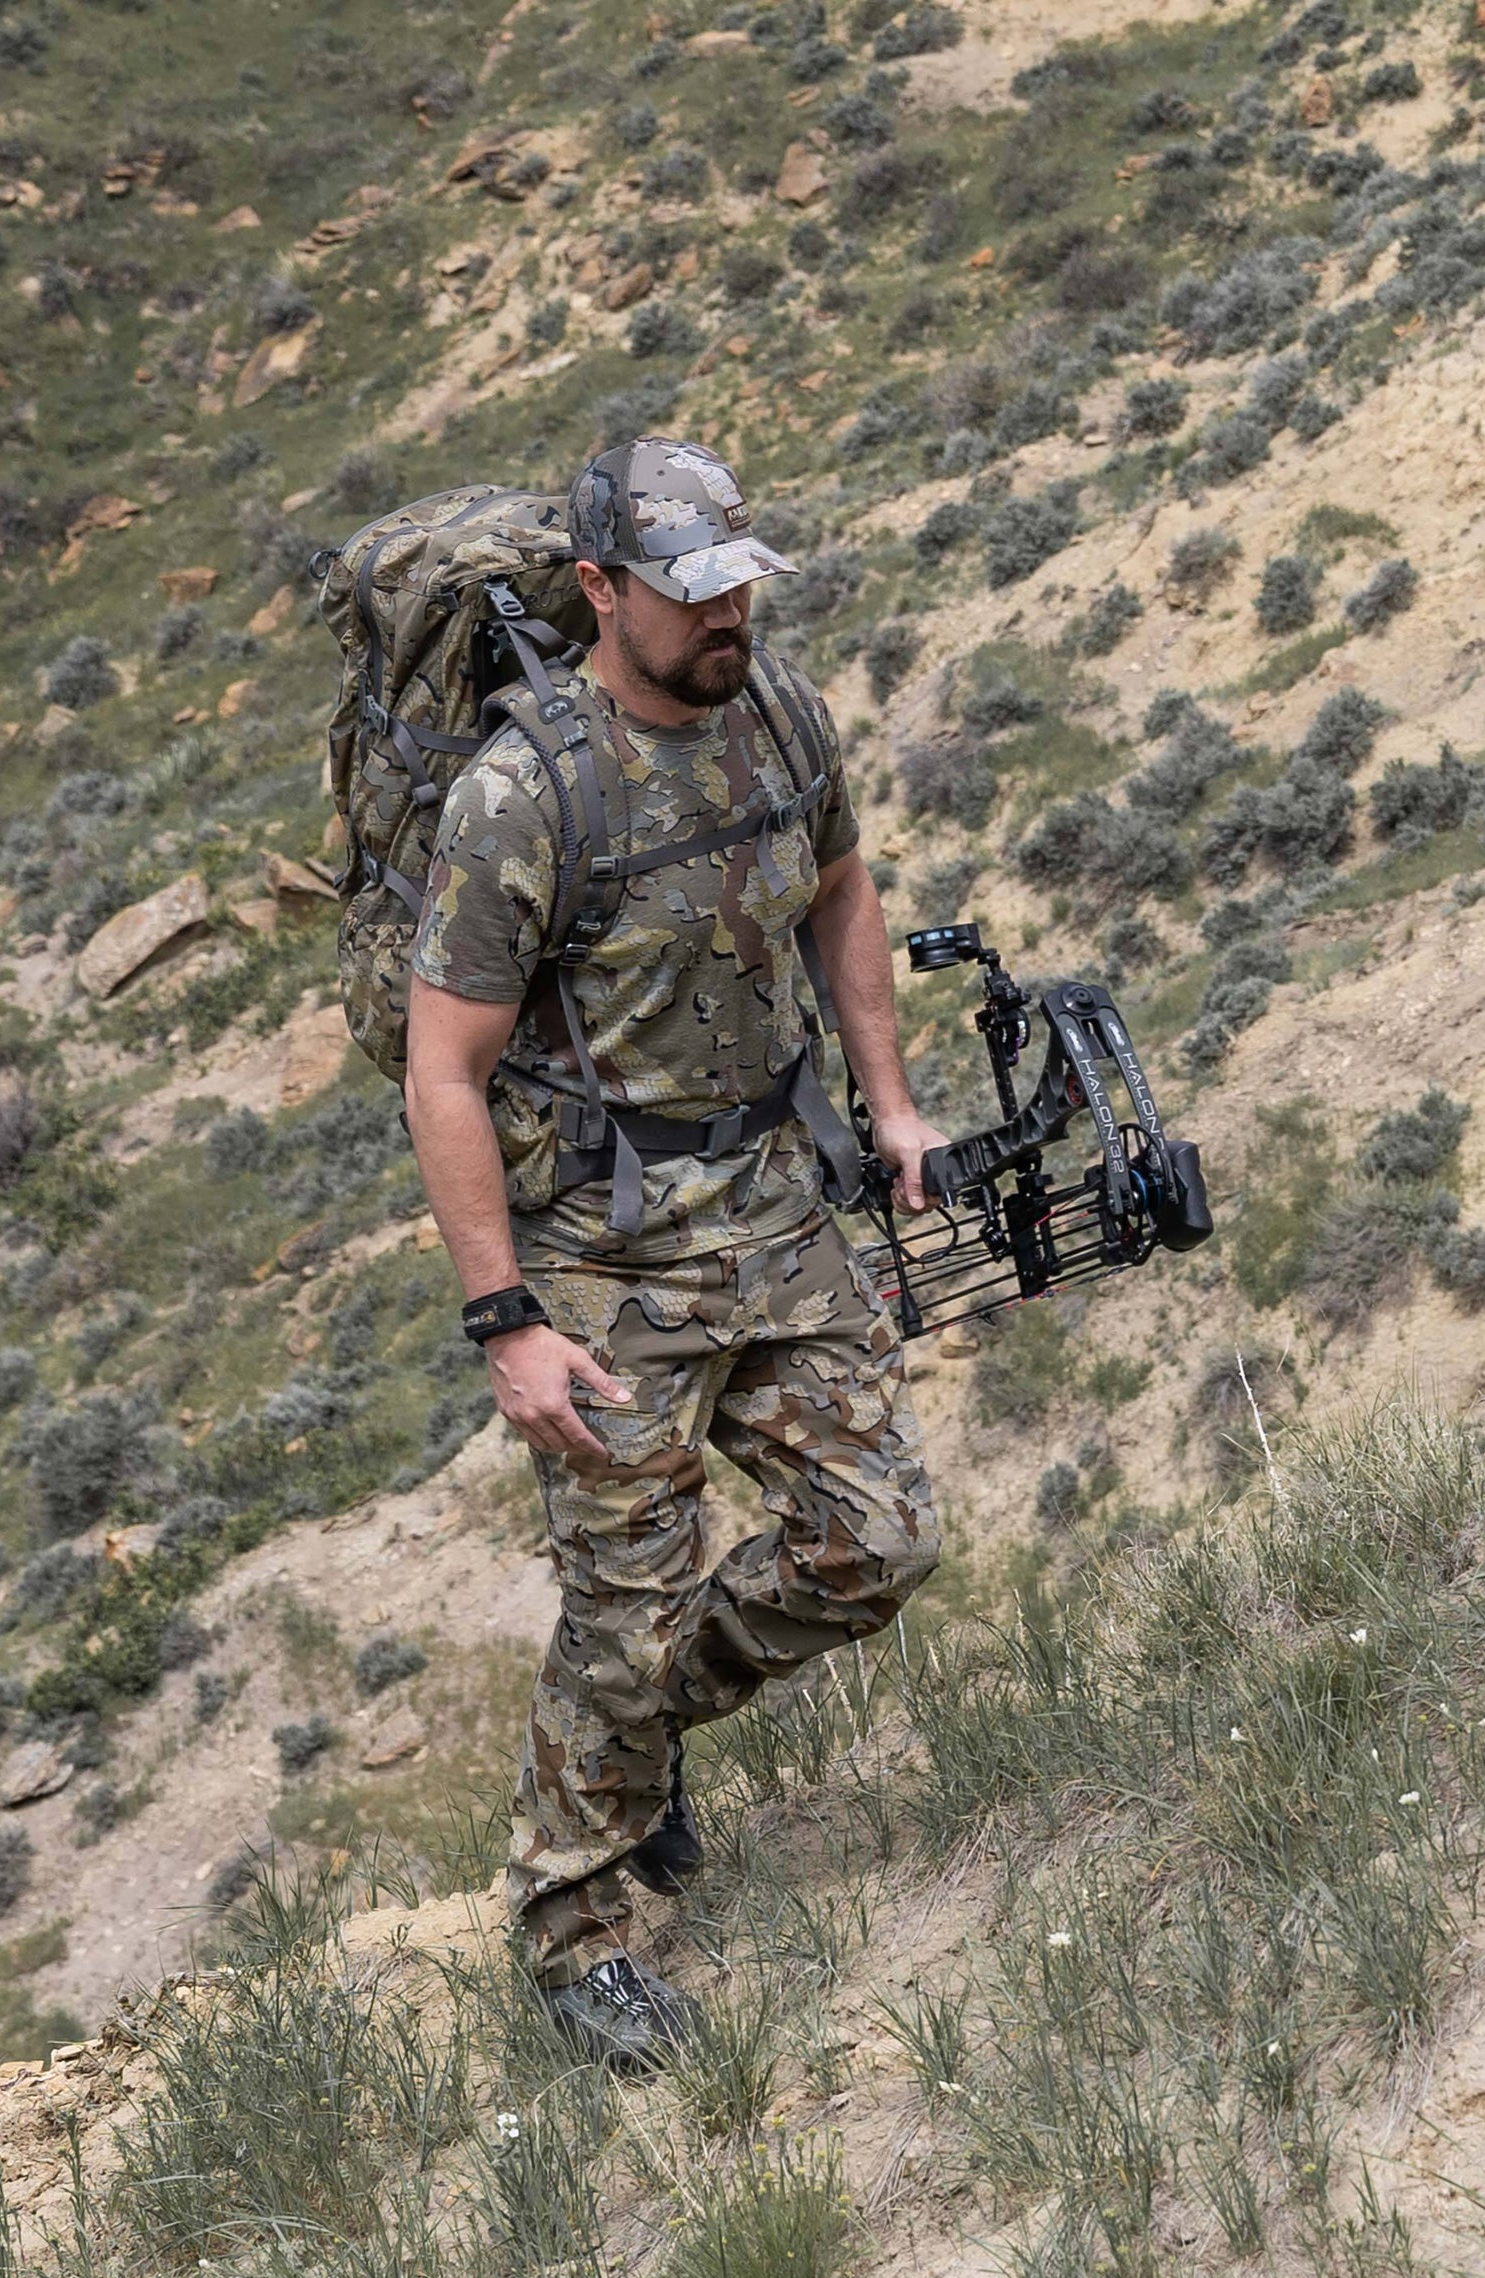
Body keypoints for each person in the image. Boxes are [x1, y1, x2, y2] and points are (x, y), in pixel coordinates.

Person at [404, 435, 942, 2067]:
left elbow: (839, 889)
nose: (727, 616)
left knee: (877, 1540)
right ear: (599, 589)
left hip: (773, 1209)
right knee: (621, 1605)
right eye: (690, 591)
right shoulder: (524, 794)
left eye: (738, 583)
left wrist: (890, 1103)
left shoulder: (778, 711)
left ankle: (637, 1735)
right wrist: (504, 1319)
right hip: (603, 1260)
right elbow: (444, 1070)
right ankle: (572, 1931)